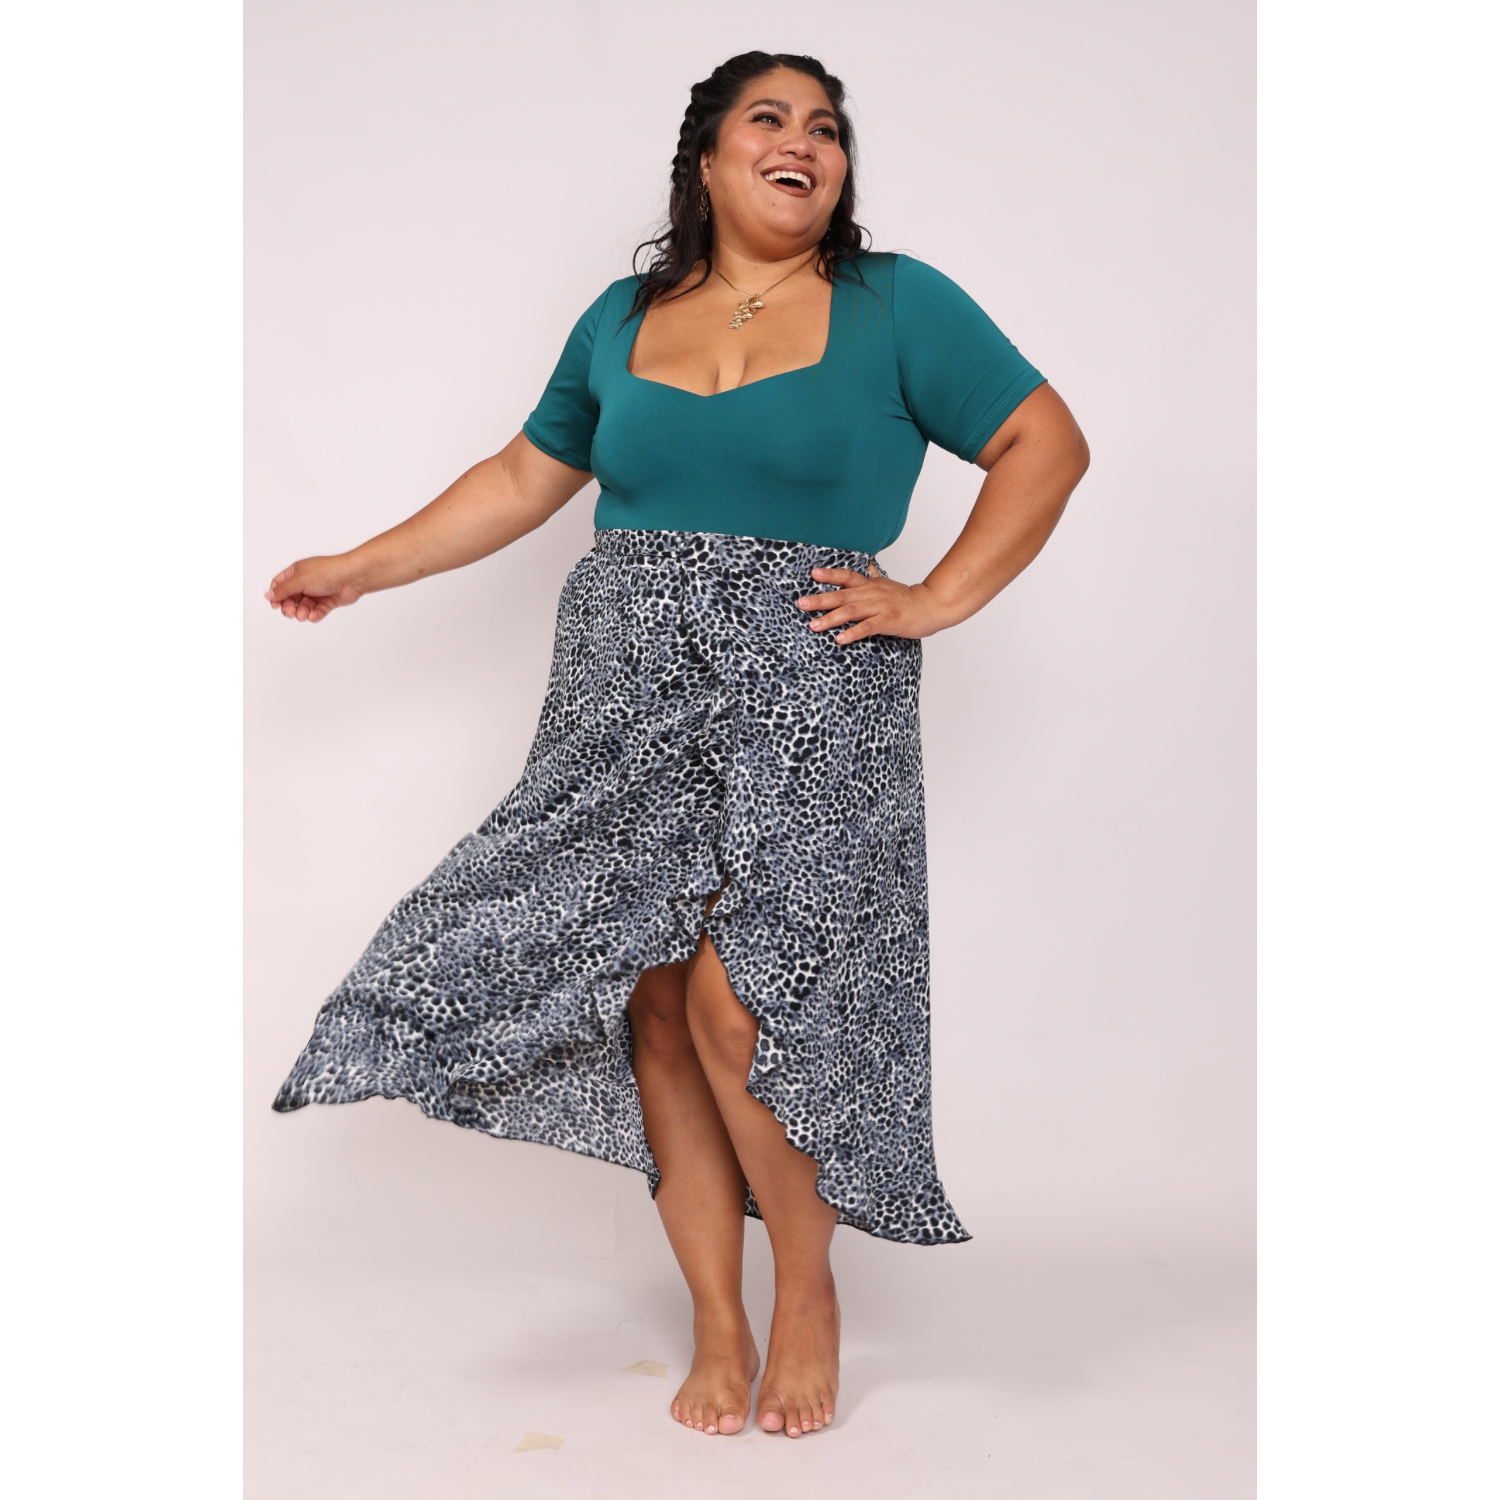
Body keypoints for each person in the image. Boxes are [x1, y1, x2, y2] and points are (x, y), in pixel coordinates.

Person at [266, 50, 1090, 1441]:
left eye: (826, 127)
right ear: (706, 159)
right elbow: (523, 476)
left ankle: (807, 1290)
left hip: (811, 692)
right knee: (655, 1002)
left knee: (743, 1004)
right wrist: (361, 565)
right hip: (624, 692)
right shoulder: (623, 315)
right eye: (769, 119)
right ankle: (718, 1317)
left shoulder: (898, 304)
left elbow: (1045, 442)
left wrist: (936, 597)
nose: (804, 141)